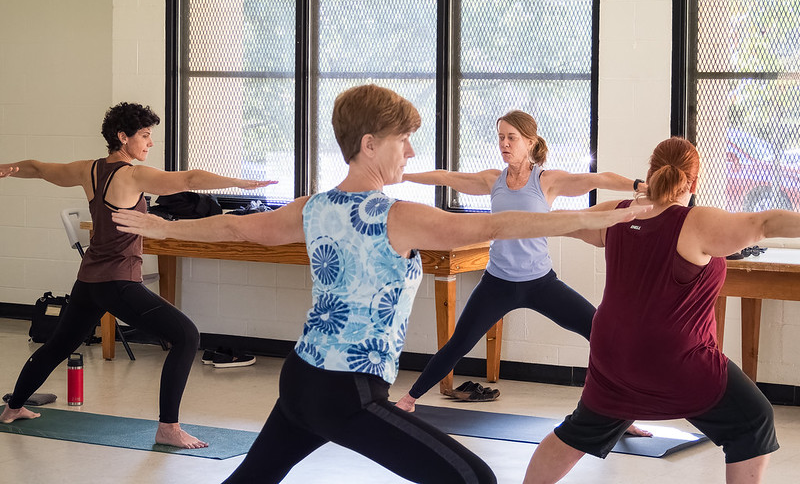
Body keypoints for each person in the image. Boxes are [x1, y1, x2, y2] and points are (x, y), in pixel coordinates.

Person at [111, 85, 648, 483]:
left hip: (302, 378)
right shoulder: (395, 216)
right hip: (346, 392)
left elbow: (235, 228)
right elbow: (496, 225)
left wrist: (166, 227)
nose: (410, 153)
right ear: (369, 144)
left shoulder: (313, 206)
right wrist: (600, 219)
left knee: (251, 480)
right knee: (475, 478)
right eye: (404, 141)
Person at [0, 102, 275, 449]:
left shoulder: (89, 170)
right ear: (122, 137)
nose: (150, 143)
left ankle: (13, 407)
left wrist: (7, 169)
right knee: (187, 336)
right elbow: (189, 179)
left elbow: (39, 168)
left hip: (89, 280)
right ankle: (168, 428)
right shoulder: (131, 175)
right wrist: (239, 183)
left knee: (60, 345)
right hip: (117, 281)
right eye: (144, 136)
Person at [523, 136, 785, 484]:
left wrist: (505, 219)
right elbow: (764, 224)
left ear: (650, 173)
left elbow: (559, 222)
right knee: (753, 421)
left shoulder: (618, 213)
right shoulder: (697, 221)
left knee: (578, 431)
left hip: (612, 354)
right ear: (694, 182)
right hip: (673, 359)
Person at [394, 110, 649, 430]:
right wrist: (403, 176)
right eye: (500, 137)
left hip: (541, 284)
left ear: (530, 142)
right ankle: (408, 400)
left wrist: (639, 185)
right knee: (459, 343)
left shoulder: (547, 181)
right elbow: (445, 177)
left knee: (601, 331)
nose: (504, 143)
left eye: (511, 138)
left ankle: (621, 414)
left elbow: (599, 179)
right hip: (497, 284)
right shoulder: (493, 180)